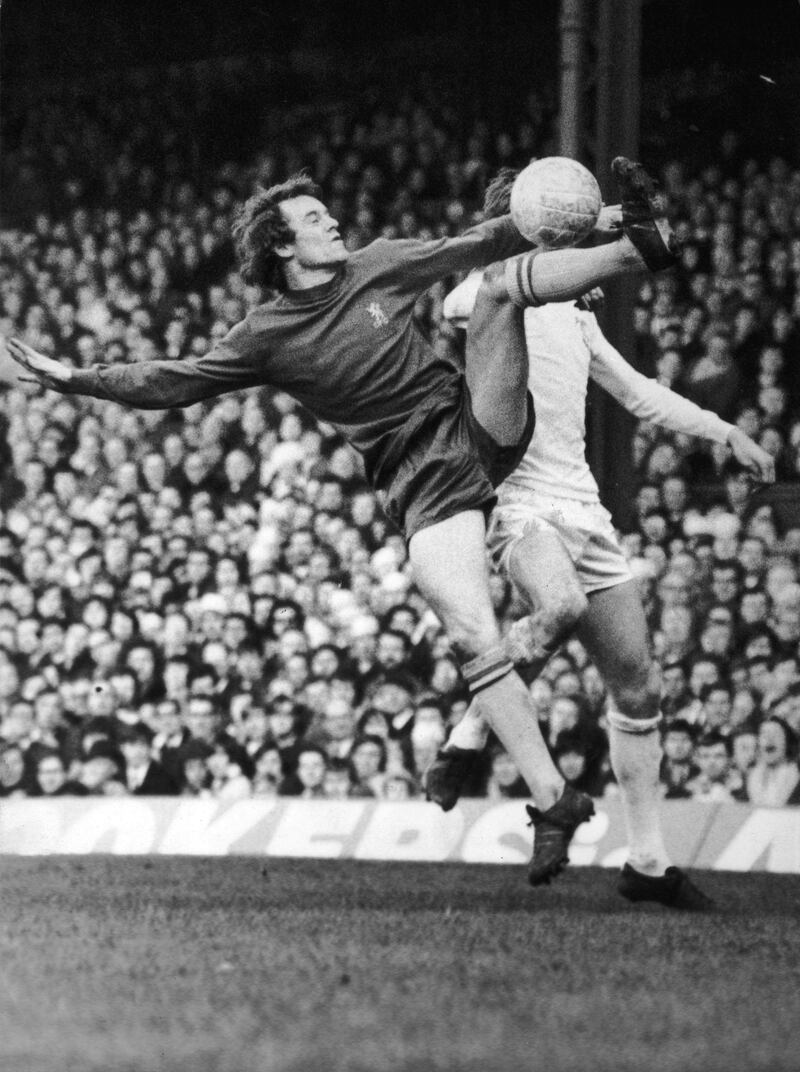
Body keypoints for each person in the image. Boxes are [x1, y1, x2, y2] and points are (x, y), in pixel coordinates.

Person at [7, 158, 678, 886]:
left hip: (477, 419)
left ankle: (635, 249)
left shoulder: (381, 264)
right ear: (282, 249)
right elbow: (176, 379)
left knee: (494, 288)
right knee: (471, 635)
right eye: (313, 218)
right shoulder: (265, 335)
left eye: (328, 210)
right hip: (417, 477)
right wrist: (78, 378)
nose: (332, 220)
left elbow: (482, 239)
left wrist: (606, 221)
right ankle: (552, 799)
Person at [426, 164, 775, 907]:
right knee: (557, 609)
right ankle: (470, 734)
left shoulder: (579, 320)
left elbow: (639, 393)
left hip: (583, 511)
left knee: (640, 686)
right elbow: (468, 297)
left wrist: (725, 432)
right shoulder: (481, 296)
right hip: (520, 506)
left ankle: (646, 863)